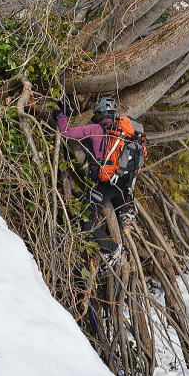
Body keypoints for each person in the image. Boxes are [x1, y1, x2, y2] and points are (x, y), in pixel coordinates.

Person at [53, 96, 136, 267]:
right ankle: (126, 211)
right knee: (103, 207)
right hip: (123, 184)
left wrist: (60, 115)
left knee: (85, 220)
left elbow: (66, 132)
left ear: (100, 113)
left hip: (105, 183)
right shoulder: (125, 134)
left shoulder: (96, 128)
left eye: (95, 113)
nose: (94, 116)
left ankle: (112, 248)